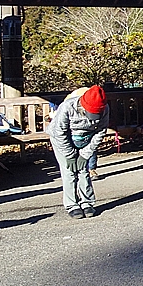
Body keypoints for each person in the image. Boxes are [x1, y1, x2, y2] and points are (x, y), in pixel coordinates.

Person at [47, 84, 110, 219]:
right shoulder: (67, 107)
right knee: (69, 171)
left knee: (83, 171)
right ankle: (72, 205)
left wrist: (85, 155)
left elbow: (100, 132)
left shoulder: (105, 109)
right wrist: (70, 155)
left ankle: (87, 203)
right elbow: (60, 133)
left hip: (85, 139)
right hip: (62, 140)